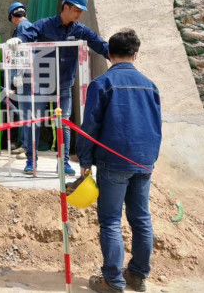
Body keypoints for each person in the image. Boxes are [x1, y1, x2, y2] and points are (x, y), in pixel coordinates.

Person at [76, 29, 161, 293]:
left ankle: (113, 281)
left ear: (109, 53)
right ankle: (138, 276)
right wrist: (149, 159)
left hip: (113, 161)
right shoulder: (150, 85)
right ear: (135, 54)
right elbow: (157, 125)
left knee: (111, 220)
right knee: (141, 218)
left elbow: (90, 125)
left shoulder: (102, 83)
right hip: (143, 161)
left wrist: (85, 159)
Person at [6, 0, 109, 176]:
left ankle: (64, 162)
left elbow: (98, 43)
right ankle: (31, 161)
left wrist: (115, 54)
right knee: (35, 121)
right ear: (66, 7)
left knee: (64, 123)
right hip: (42, 82)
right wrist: (19, 40)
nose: (79, 14)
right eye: (76, 10)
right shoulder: (45, 25)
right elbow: (29, 34)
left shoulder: (80, 30)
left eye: (81, 11)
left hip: (64, 84)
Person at [7, 2, 38, 166]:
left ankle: (28, 149)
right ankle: (26, 145)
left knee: (27, 114)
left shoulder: (22, 27)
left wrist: (18, 74)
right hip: (27, 76)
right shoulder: (27, 26)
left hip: (26, 77)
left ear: (12, 16)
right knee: (26, 113)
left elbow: (24, 54)